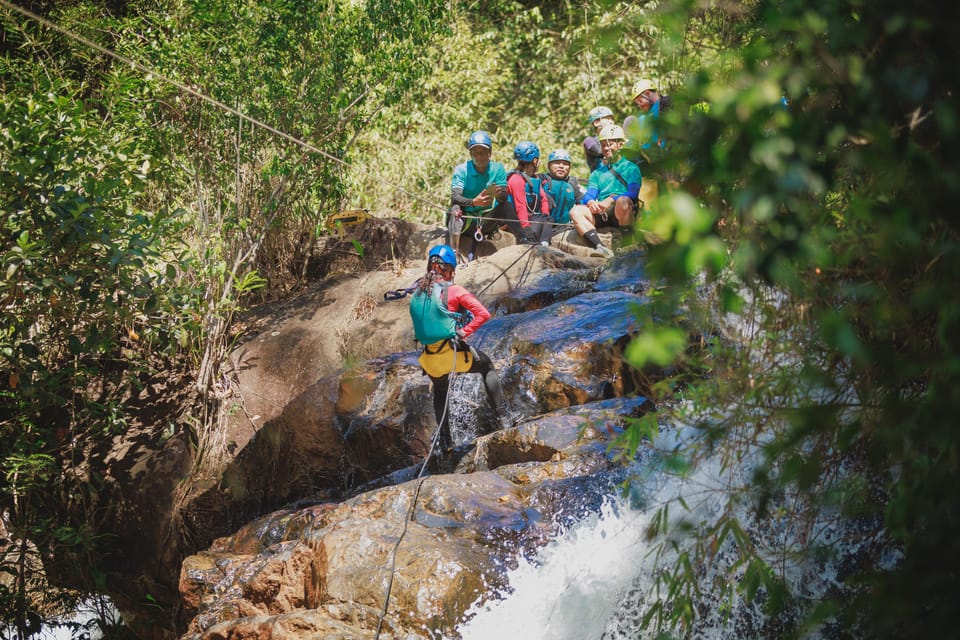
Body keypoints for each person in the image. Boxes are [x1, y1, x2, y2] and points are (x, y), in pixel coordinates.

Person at [409, 244, 512, 452]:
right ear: (449, 270)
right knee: (487, 367)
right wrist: (464, 332)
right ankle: (505, 419)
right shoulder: (454, 290)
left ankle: (446, 440)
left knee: (440, 389)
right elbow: (483, 314)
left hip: (429, 360)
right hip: (452, 354)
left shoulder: (418, 291)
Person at [568, 123, 641, 259]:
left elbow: (633, 193)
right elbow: (590, 194)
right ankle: (600, 247)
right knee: (575, 211)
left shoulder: (631, 168)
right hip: (603, 214)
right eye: (603, 145)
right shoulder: (597, 173)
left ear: (620, 144)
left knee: (623, 200)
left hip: (622, 210)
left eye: (610, 144)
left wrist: (610, 199)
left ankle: (627, 245)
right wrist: (590, 202)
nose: (606, 148)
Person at [447, 130, 508, 261]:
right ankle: (454, 251)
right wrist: (474, 202)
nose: (479, 156)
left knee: (506, 205)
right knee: (455, 208)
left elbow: (503, 196)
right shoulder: (462, 170)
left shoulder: (498, 169)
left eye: (482, 152)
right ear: (471, 154)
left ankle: (525, 239)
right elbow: (455, 197)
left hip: (486, 221)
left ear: (489, 153)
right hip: (465, 221)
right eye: (475, 152)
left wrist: (498, 195)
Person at [504, 141, 552, 245]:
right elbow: (519, 206)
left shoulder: (535, 179)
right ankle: (537, 244)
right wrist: (526, 229)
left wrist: (546, 216)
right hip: (515, 221)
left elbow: (543, 199)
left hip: (532, 217)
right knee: (539, 221)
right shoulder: (516, 179)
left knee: (546, 220)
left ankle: (544, 244)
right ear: (535, 160)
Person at [622, 78, 672, 167]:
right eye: (637, 103)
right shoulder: (645, 118)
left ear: (648, 94)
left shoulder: (667, 102)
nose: (639, 105)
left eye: (640, 101)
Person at [539, 148, 585, 227]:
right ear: (549, 166)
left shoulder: (572, 182)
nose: (561, 166)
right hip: (543, 223)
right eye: (557, 163)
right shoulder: (541, 179)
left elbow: (582, 202)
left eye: (565, 164)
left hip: (565, 225)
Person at [582, 106, 616, 173]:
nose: (611, 122)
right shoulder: (589, 140)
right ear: (596, 123)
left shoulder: (616, 140)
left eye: (612, 119)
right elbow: (599, 151)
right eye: (608, 119)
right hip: (599, 179)